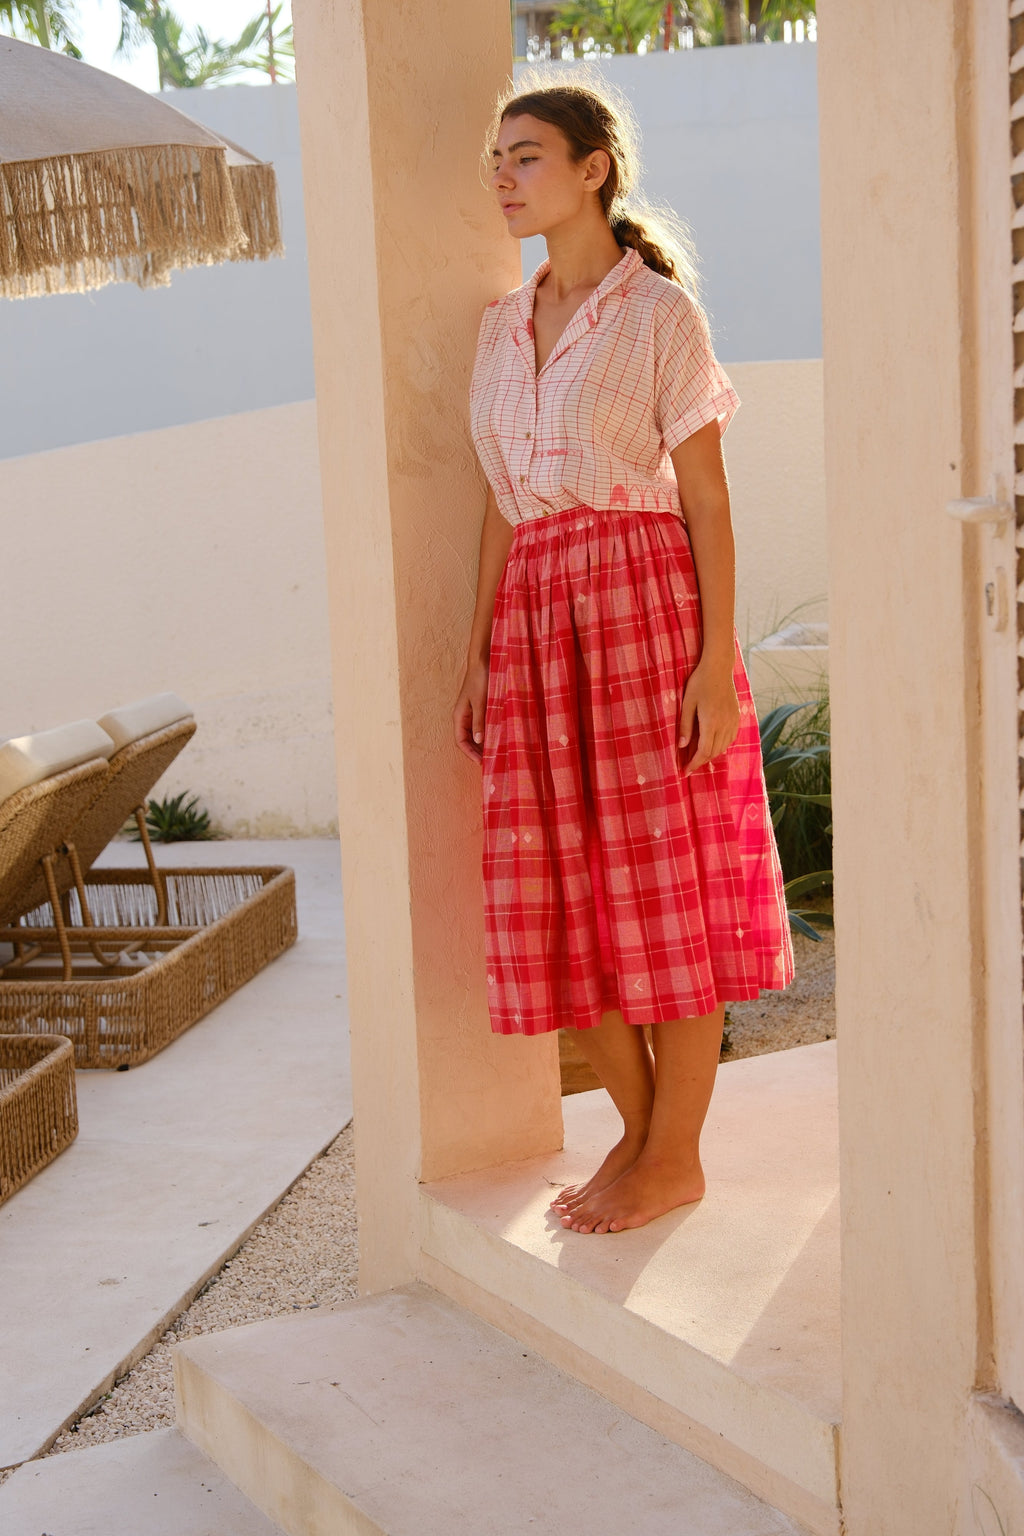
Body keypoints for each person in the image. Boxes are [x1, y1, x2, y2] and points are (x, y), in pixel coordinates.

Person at [453, 81, 794, 1236]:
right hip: (537, 630)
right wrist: (475, 660)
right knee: (574, 899)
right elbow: (501, 508)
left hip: (645, 612)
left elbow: (706, 495)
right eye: (496, 158)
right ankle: (637, 1143)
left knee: (667, 893)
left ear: (594, 168)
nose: (503, 175)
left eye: (527, 155)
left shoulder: (658, 315)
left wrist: (711, 664)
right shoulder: (501, 326)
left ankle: (675, 1152)